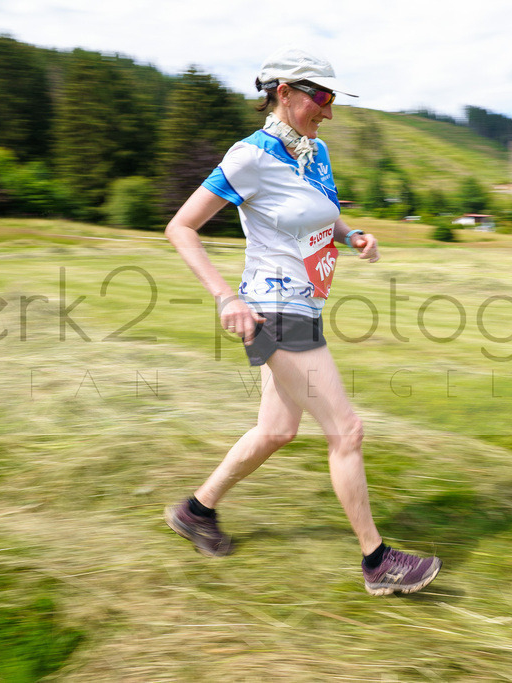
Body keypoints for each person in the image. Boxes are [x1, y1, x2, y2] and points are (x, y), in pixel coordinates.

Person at [163, 47, 441, 596]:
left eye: (333, 100)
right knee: (347, 430)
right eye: (321, 98)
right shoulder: (250, 156)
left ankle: (197, 511)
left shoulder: (314, 153)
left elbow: (321, 215)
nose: (329, 111)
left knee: (277, 430)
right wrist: (225, 299)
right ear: (284, 93)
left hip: (304, 305)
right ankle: (378, 561)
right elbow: (181, 228)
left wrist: (351, 234)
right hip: (272, 309)